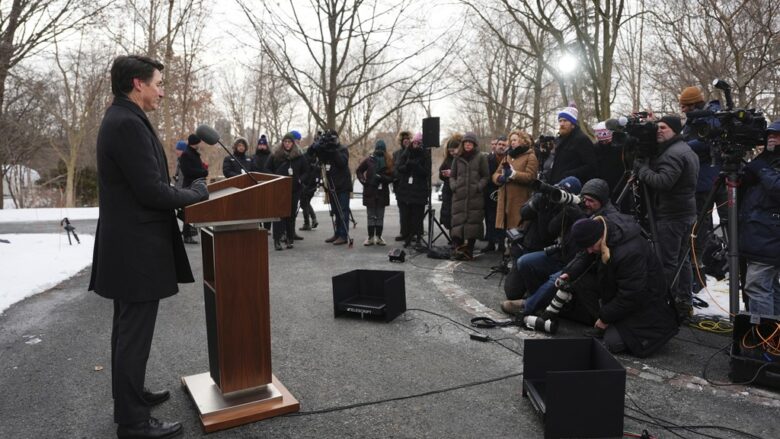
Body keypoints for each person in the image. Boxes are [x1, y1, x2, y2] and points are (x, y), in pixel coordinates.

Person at [89, 55, 208, 439]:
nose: (163, 90)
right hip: (135, 249)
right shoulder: (125, 123)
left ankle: (130, 399)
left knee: (127, 331)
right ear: (137, 83)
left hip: (129, 246)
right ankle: (133, 422)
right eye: (158, 82)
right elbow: (150, 189)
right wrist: (194, 194)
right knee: (133, 332)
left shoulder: (124, 118)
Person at [553, 217, 679, 357]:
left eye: (590, 246)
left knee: (613, 342)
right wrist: (569, 273)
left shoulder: (629, 253)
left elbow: (632, 295)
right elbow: (584, 255)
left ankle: (612, 324)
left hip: (647, 303)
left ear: (600, 237)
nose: (589, 251)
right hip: (626, 292)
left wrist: (605, 318)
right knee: (582, 283)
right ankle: (609, 322)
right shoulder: (602, 234)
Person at [634, 115, 699, 321]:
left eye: (664, 127)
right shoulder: (685, 149)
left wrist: (642, 169)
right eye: (658, 127)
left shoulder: (673, 154)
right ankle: (683, 302)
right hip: (686, 212)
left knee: (668, 262)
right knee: (683, 260)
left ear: (675, 130)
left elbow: (663, 182)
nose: (659, 131)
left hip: (671, 216)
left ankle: (662, 304)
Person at [679, 86, 726, 294]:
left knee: (700, 227)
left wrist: (683, 144)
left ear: (695, 103)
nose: (683, 110)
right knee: (698, 226)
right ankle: (698, 270)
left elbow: (709, 142)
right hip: (701, 180)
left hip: (707, 182)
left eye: (685, 106)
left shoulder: (712, 117)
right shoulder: (695, 119)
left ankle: (702, 269)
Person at [739, 120, 780, 316]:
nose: (772, 137)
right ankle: (774, 336)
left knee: (758, 287)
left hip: (770, 234)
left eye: (777, 134)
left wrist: (761, 169)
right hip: (759, 233)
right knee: (769, 286)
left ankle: (762, 339)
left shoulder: (765, 165)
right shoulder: (765, 160)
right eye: (769, 134)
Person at [266, 132, 309, 250]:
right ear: (282, 143)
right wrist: (274, 178)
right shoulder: (275, 155)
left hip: (294, 189)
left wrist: (300, 180)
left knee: (290, 215)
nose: (287, 144)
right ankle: (277, 240)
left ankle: (290, 239)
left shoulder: (299, 156)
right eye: (285, 142)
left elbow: (306, 171)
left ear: (293, 143)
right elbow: (267, 168)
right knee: (279, 215)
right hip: (279, 188)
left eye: (289, 142)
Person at [493, 130, 538, 243]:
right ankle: (506, 255)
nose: (512, 142)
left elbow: (531, 177)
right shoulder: (507, 156)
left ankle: (514, 255)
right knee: (506, 231)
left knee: (517, 230)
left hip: (519, 200)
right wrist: (500, 178)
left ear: (523, 141)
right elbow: (495, 174)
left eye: (515, 140)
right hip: (505, 200)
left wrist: (514, 175)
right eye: (511, 140)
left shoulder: (530, 157)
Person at [450, 131, 489, 260]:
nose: (468, 145)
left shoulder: (481, 157)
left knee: (473, 224)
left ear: (474, 144)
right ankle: (458, 250)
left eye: (470, 143)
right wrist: (454, 186)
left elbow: (485, 176)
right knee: (458, 223)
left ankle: (469, 251)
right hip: (459, 196)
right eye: (466, 143)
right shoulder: (457, 157)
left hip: (475, 197)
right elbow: (452, 176)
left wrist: (478, 187)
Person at [312, 130, 351, 245]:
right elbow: (320, 160)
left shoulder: (342, 149)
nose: (332, 142)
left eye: (333, 139)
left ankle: (343, 235)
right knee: (335, 211)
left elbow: (342, 163)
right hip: (332, 184)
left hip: (343, 185)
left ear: (337, 138)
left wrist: (334, 150)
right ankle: (337, 233)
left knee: (343, 211)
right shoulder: (328, 150)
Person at [395, 132, 430, 248]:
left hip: (419, 189)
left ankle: (418, 238)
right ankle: (408, 237)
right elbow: (399, 168)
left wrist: (417, 166)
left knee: (418, 216)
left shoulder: (425, 154)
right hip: (406, 189)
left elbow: (426, 172)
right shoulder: (406, 152)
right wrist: (408, 165)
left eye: (418, 143)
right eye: (414, 142)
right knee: (407, 215)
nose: (416, 144)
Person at [543, 106, 596, 184]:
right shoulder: (560, 139)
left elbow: (591, 166)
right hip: (556, 185)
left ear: (573, 124)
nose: (561, 124)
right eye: (560, 121)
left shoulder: (581, 140)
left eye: (565, 121)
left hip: (571, 186)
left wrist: (568, 175)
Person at [356, 139, 394, 245]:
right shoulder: (369, 160)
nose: (380, 150)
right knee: (371, 215)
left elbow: (393, 176)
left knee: (380, 216)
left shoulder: (389, 160)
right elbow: (359, 170)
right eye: (378, 148)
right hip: (370, 191)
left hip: (382, 192)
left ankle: (379, 237)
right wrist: (364, 181)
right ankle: (370, 237)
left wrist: (382, 178)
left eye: (382, 149)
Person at [179, 133, 209, 244]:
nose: (199, 144)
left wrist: (203, 169)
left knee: (193, 210)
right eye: (198, 142)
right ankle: (187, 235)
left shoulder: (194, 154)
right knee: (189, 211)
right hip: (190, 186)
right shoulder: (186, 155)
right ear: (194, 143)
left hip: (196, 185)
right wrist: (203, 172)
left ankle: (189, 235)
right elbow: (187, 171)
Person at [482, 136, 505, 252]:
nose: (500, 146)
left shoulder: (509, 158)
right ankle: (490, 242)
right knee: (490, 218)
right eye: (499, 144)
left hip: (504, 191)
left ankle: (501, 243)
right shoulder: (488, 158)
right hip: (490, 192)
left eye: (503, 144)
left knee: (502, 219)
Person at [438, 134, 462, 232]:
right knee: (448, 215)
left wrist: (452, 174)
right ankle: (452, 236)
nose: (451, 153)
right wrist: (444, 174)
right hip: (448, 190)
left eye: (453, 150)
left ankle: (457, 239)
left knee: (457, 216)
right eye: (450, 151)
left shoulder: (462, 159)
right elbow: (440, 172)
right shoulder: (448, 159)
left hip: (458, 190)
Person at [393, 130, 412, 241]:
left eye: (408, 139)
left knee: (412, 212)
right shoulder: (396, 154)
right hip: (400, 187)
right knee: (403, 211)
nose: (406, 141)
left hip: (412, 187)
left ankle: (413, 233)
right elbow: (394, 170)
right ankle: (403, 232)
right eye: (404, 140)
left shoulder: (414, 152)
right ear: (401, 141)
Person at [299, 141, 321, 231]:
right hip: (313, 184)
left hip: (306, 184)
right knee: (306, 202)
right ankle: (313, 219)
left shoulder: (308, 159)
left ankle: (307, 223)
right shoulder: (317, 159)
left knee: (304, 203)